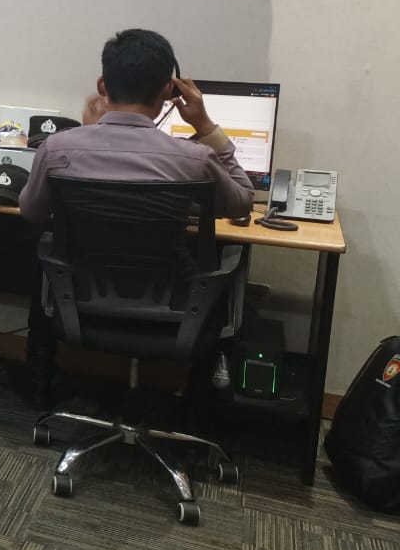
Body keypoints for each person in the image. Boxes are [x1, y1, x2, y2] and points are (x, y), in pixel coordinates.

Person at [17, 28, 255, 407]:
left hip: (82, 302)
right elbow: (243, 203)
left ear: (102, 86)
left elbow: (31, 212)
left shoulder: (58, 147)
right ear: (169, 91)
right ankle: (201, 412)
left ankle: (38, 388)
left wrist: (88, 133)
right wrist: (205, 126)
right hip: (177, 311)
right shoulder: (194, 158)